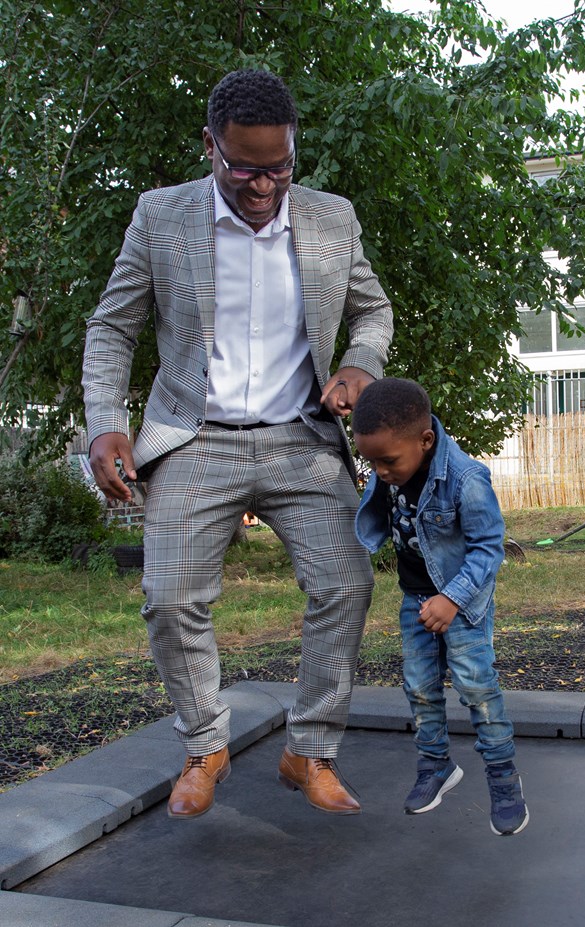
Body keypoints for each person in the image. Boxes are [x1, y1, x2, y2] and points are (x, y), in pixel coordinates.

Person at [82, 69, 392, 819]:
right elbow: (112, 326)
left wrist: (359, 363)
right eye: (243, 167)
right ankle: (204, 744)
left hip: (302, 441)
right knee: (169, 597)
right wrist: (104, 422)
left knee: (347, 582)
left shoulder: (330, 219)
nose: (262, 185)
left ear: (294, 151)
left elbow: (373, 311)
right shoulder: (161, 217)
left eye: (279, 166)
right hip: (196, 437)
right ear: (210, 147)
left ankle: (308, 750)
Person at [352, 378, 529, 836]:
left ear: (425, 440)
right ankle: (435, 765)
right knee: (419, 686)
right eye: (371, 461)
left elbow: (489, 549)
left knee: (476, 688)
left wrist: (451, 599)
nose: (379, 471)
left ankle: (504, 780)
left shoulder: (467, 480)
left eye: (386, 461)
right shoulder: (392, 457)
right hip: (415, 599)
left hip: (462, 603)